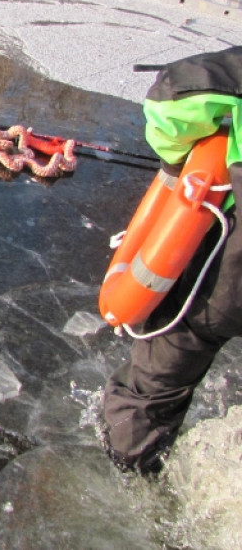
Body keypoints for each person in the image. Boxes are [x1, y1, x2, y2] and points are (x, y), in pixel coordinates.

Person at [102, 45, 242, 475]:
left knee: (172, 353)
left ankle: (131, 475)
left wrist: (172, 164)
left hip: (231, 278)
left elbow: (175, 98)